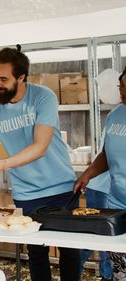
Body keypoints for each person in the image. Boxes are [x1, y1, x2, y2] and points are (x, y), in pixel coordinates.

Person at [0, 46, 80, 281]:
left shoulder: (43, 97)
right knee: (36, 252)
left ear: (21, 77)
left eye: (3, 78)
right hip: (26, 193)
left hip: (61, 188)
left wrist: (3, 164)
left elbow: (40, 146)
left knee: (68, 250)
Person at [75, 66, 126, 281]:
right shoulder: (115, 115)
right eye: (121, 86)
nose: (122, 92)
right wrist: (88, 173)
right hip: (117, 206)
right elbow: (107, 154)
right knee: (120, 269)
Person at [78, 133, 113, 281]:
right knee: (103, 235)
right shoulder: (116, 118)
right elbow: (109, 156)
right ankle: (107, 275)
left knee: (104, 235)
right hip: (102, 187)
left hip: (108, 187)